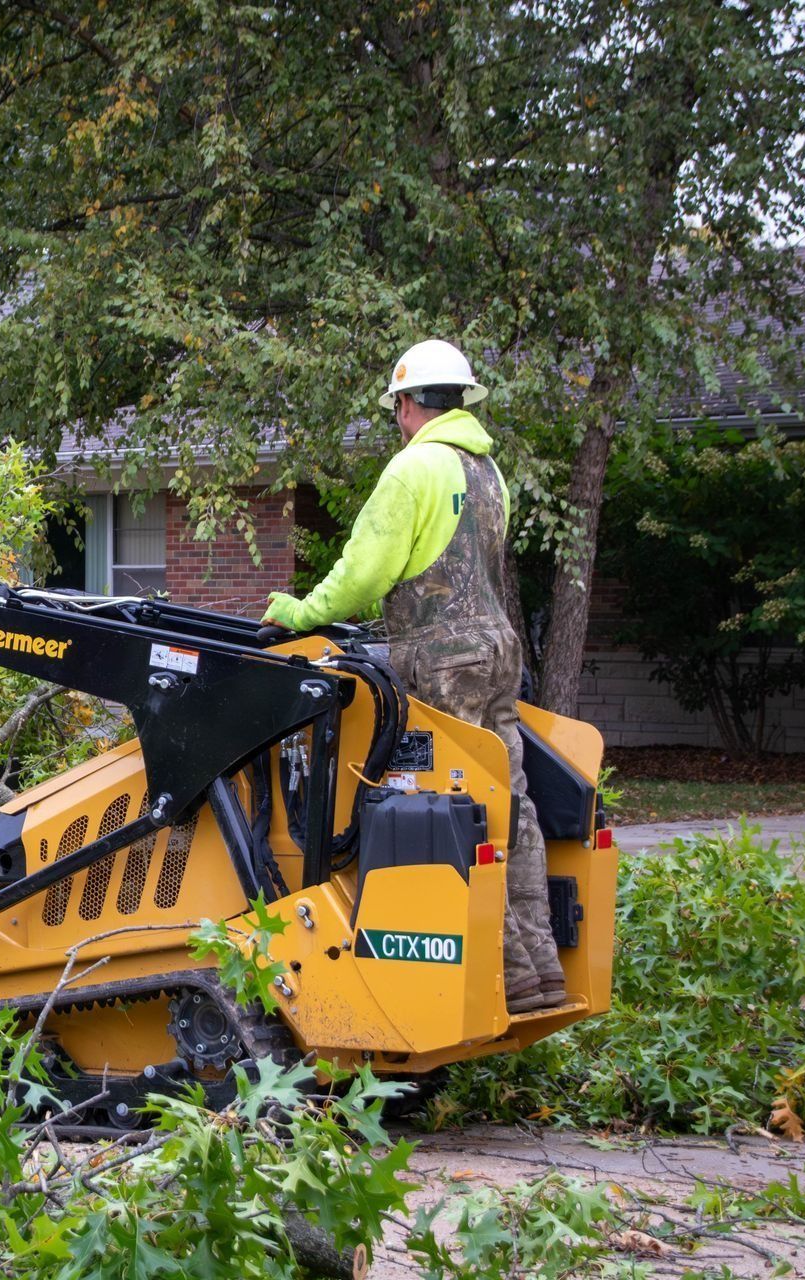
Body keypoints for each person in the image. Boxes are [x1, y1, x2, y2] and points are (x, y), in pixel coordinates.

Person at [262, 339, 566, 1013]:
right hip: (498, 654)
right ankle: (542, 970)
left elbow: (364, 575)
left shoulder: (413, 470)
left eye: (396, 407)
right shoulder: (489, 474)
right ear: (461, 400)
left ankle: (505, 975)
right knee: (510, 809)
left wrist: (301, 612)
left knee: (461, 812)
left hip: (442, 663)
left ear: (406, 405)